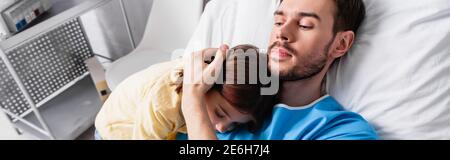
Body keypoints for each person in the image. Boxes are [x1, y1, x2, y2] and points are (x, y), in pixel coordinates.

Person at [180, 0, 378, 140]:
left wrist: (191, 103)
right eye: (278, 22)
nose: (282, 33)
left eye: (304, 25)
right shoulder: (215, 93)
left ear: (341, 43)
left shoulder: (342, 131)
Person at [94, 45, 277, 140]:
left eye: (234, 124)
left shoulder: (206, 73)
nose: (222, 128)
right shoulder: (166, 103)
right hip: (114, 131)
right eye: (220, 113)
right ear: (207, 85)